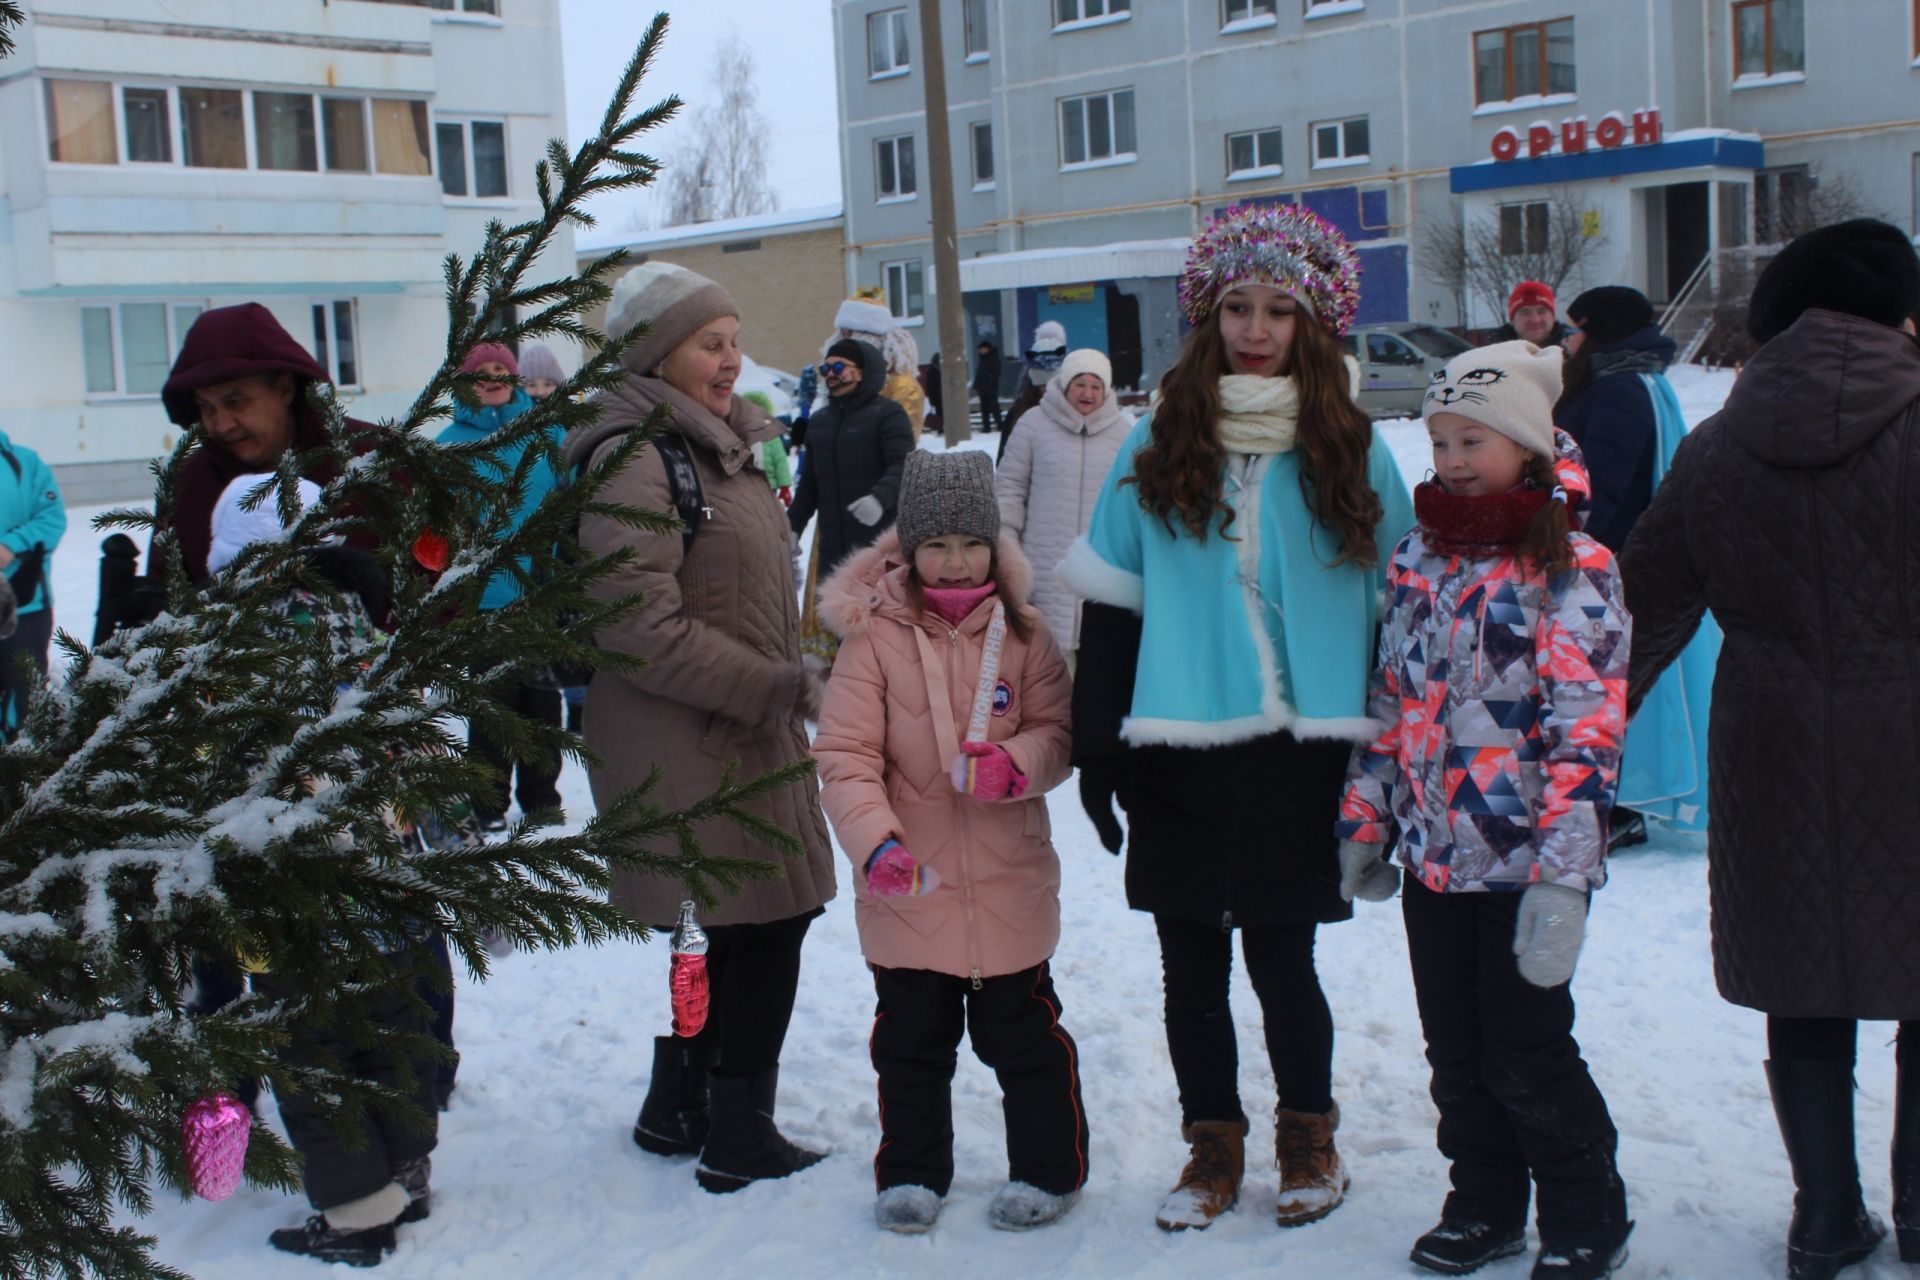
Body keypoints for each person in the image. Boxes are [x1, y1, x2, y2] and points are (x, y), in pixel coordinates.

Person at [1059, 203, 1414, 1233]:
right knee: (1190, 965)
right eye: (1236, 307)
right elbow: (1111, 604)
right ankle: (1211, 1143)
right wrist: (1097, 747)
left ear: (1315, 324)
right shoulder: (1155, 443)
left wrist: (1390, 754)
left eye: (1279, 309)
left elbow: (1399, 609)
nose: (1255, 328)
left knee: (1283, 954)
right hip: (1176, 741)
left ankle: (1310, 1131)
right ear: (1208, 317)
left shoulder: (1353, 447)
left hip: (1301, 750)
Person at [1621, 218, 1920, 1280]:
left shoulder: (1716, 446)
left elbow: (1641, 610)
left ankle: (1823, 1219)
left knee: (1805, 987)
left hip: (1772, 742)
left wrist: (1579, 745)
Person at [1339, 342, 1634, 1280]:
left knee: (1528, 1049)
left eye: (1476, 439)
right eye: (1442, 440)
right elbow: (1389, 701)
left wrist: (1564, 877)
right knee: (1456, 1051)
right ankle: (1486, 1204)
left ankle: (1590, 1214)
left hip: (1521, 862)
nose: (1456, 458)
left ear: (1528, 447)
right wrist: (1364, 818)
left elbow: (1588, 734)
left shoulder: (1572, 564)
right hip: (1433, 857)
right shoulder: (1416, 556)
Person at [561, 261, 836, 1194]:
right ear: (655, 353)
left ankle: (678, 1099)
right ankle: (737, 1130)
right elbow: (635, 625)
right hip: (686, 726)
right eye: (708, 343)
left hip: (741, 719)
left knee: (726, 928)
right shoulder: (633, 457)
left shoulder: (722, 443)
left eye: (732, 339)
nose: (730, 359)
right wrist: (771, 687)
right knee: (766, 921)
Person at [814, 450, 1085, 1235]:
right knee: (910, 1045)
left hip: (1008, 880)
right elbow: (845, 756)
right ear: (908, 549)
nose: (956, 560)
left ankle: (1050, 1166)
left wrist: (1019, 764)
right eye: (937, 545)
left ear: (995, 546)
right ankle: (910, 1171)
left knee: (1024, 1038)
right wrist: (875, 845)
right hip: (909, 885)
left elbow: (1057, 733)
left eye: (972, 542)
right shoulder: (873, 642)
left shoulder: (1027, 635)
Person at [199, 473, 441, 1268]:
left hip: (287, 890)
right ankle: (408, 1165)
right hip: (386, 873)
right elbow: (414, 737)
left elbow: (216, 764)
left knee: (310, 1046)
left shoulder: (233, 650)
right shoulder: (359, 627)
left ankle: (355, 1214)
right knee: (394, 1020)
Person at [1554, 285, 1680, 850]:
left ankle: (1619, 806)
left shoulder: (1618, 389)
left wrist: (1569, 554)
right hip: (1609, 559)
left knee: (1597, 687)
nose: (1567, 339)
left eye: (1574, 327)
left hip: (1607, 565)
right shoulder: (1624, 380)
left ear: (1598, 331)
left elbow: (1602, 487)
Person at [157, 303, 385, 586]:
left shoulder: (376, 460)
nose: (221, 424)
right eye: (206, 407)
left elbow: (441, 600)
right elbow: (168, 599)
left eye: (235, 402)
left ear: (284, 389)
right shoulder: (189, 486)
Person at [436, 343, 565, 832]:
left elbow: (579, 485)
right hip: (483, 597)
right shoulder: (450, 444)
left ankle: (542, 801)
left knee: (542, 705)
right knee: (493, 706)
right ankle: (487, 804)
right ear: (464, 384)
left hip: (541, 590)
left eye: (502, 372)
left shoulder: (547, 431)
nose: (492, 379)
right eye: (480, 373)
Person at [995, 348, 1127, 669]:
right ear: (1065, 385)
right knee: (1046, 674)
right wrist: (1007, 550)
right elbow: (1009, 490)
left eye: (1096, 385)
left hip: (1099, 576)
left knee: (1097, 678)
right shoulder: (1033, 424)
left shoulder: (1124, 433)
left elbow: (1133, 505)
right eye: (1080, 383)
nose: (1088, 393)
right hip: (1042, 571)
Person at [790, 338, 915, 664]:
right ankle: (846, 690)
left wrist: (879, 498)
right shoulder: (820, 422)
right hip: (834, 546)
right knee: (842, 625)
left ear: (863, 373)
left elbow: (903, 464)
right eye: (825, 369)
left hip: (879, 544)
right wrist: (791, 528)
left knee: (883, 624)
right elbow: (809, 487)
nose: (830, 375)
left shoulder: (888, 413)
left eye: (838, 368)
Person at [0, 429, 65, 738]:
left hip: (26, 605)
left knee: (25, 691)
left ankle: (23, 769)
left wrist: (11, 546)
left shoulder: (24, 462)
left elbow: (51, 519)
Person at [827, 286, 926, 435]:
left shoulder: (902, 386)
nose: (844, 340)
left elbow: (901, 443)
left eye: (849, 332)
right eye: (843, 333)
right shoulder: (847, 383)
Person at [997, 320, 1066, 463]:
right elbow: (1005, 464)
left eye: (1055, 386)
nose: (1048, 392)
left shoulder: (1080, 412)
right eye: (1043, 386)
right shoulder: (1019, 413)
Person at [1490, 281, 1569, 347]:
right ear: (1512, 320)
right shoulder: (1492, 360)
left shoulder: (1574, 356)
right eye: (1525, 312)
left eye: (1541, 311)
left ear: (1553, 317)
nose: (1535, 320)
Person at [974, 340, 1004, 434]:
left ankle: (1000, 425)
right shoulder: (983, 359)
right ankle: (986, 427)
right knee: (984, 409)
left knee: (994, 407)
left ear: (987, 349)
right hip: (982, 388)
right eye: (980, 349)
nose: (981, 350)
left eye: (982, 349)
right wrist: (976, 385)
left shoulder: (993, 358)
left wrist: (989, 383)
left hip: (991, 388)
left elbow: (996, 374)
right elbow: (979, 373)